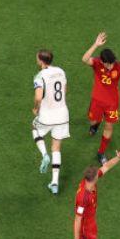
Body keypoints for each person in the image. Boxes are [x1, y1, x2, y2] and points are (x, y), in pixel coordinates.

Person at [82, 32, 120, 163]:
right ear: (102, 61)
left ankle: (101, 153)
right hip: (97, 101)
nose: (110, 67)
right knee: (93, 120)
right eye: (107, 64)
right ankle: (95, 124)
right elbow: (84, 59)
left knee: (109, 127)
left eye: (111, 64)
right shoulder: (97, 63)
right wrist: (95, 44)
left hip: (112, 103)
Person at [31, 48, 69, 194]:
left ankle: (44, 155)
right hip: (63, 115)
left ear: (41, 60)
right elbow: (64, 91)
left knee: (35, 127)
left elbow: (39, 97)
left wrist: (36, 108)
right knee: (56, 147)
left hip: (48, 115)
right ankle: (54, 183)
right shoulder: (61, 71)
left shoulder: (40, 76)